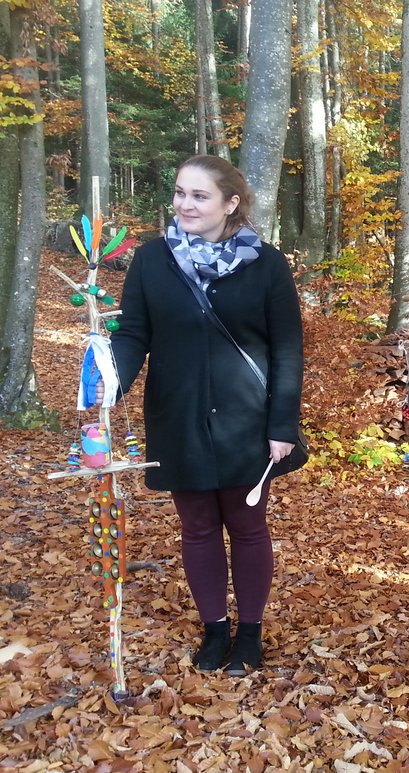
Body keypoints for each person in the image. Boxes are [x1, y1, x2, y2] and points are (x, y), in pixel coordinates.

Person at [106, 155, 303, 676]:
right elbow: (133, 333)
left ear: (230, 203)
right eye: (179, 193)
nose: (185, 204)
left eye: (199, 195)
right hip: (177, 415)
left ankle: (250, 633)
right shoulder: (152, 260)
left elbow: (287, 348)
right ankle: (215, 630)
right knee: (196, 527)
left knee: (248, 525)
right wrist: (110, 381)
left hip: (247, 419)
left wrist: (282, 424)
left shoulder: (267, 264)